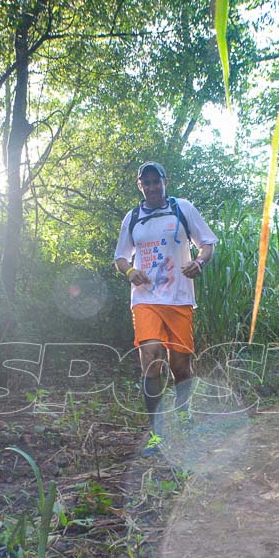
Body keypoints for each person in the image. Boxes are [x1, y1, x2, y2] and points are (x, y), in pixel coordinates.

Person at [113, 162, 218, 450]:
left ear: (165, 181)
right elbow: (121, 257)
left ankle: (184, 416)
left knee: (181, 367)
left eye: (155, 181)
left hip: (179, 298)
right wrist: (130, 272)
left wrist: (199, 262)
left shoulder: (182, 208)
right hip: (146, 298)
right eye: (145, 183)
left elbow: (207, 243)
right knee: (152, 357)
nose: (151, 187)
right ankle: (156, 432)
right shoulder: (133, 217)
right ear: (140, 186)